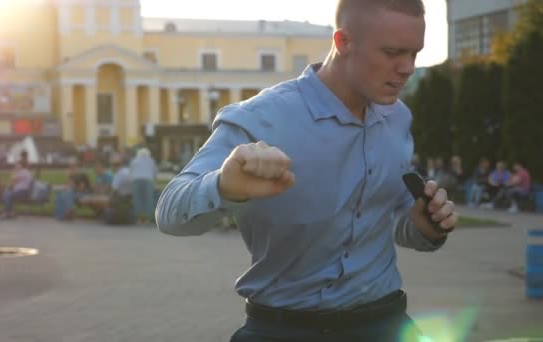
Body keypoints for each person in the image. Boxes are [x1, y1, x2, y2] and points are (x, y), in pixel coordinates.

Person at [155, 1, 458, 341]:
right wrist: (224, 186)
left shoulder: (398, 117)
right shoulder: (261, 118)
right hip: (284, 329)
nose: (408, 68)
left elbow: (395, 220)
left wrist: (424, 227)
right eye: (392, 52)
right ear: (343, 43)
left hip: (386, 324)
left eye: (415, 53)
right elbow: (169, 212)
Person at [129, 147, 158, 223]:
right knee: (148, 200)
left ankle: (138, 219)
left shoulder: (134, 160)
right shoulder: (151, 161)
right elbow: (155, 173)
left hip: (136, 180)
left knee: (137, 200)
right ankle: (147, 219)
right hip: (148, 180)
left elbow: (131, 172)